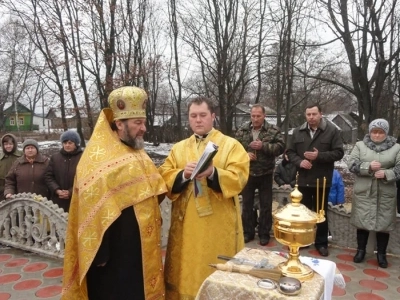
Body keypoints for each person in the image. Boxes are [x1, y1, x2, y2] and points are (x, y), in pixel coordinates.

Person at [61, 86, 168, 300]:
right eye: (138, 123)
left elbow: (153, 189)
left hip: (141, 248)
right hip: (114, 254)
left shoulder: (137, 152)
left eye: (143, 122)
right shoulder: (96, 160)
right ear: (119, 124)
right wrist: (100, 252)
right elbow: (90, 207)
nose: (144, 128)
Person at [158, 97, 249, 299]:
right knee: (185, 271)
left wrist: (213, 173)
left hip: (216, 226)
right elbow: (164, 174)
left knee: (213, 271)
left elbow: (239, 177)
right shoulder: (178, 148)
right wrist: (182, 174)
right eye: (193, 116)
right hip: (185, 226)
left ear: (213, 117)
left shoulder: (231, 145)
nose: (198, 120)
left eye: (203, 115)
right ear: (188, 119)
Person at [287, 103, 344, 256]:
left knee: (320, 213)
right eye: (308, 115)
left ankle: (321, 243)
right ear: (305, 116)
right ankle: (303, 240)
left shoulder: (331, 130)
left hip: (321, 179)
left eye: (314, 114)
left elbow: (339, 153)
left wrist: (319, 156)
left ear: (321, 114)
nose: (311, 117)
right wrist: (300, 162)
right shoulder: (298, 131)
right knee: (303, 213)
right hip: (303, 179)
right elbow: (290, 152)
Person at [347, 118, 400, 268]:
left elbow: (399, 168)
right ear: (370, 132)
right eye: (374, 132)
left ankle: (381, 254)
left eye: (380, 132)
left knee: (384, 224)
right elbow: (351, 164)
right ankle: (361, 250)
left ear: (386, 133)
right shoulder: (359, 145)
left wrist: (386, 174)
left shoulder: (396, 148)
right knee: (362, 222)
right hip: (365, 191)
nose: (376, 135)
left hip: (385, 192)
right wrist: (367, 167)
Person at [235, 104, 285, 246]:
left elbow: (281, 148)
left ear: (264, 116)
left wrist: (264, 146)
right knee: (247, 205)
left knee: (265, 205)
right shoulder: (242, 130)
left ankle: (264, 233)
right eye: (253, 116)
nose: (255, 119)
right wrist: (244, 154)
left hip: (265, 173)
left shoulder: (272, 130)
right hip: (248, 172)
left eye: (258, 116)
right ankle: (248, 232)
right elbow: (234, 149)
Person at [44, 130, 83, 212]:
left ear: (76, 143)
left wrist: (70, 192)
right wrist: (57, 190)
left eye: (70, 143)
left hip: (77, 199)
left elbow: (85, 178)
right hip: (58, 200)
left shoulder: (83, 158)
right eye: (64, 143)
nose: (67, 145)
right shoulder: (55, 158)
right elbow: (48, 176)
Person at [0, 133, 22, 200]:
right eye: (6, 144)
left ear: (14, 144)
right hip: (2, 191)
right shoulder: (0, 158)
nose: (8, 146)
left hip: (19, 189)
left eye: (10, 144)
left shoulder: (22, 156)